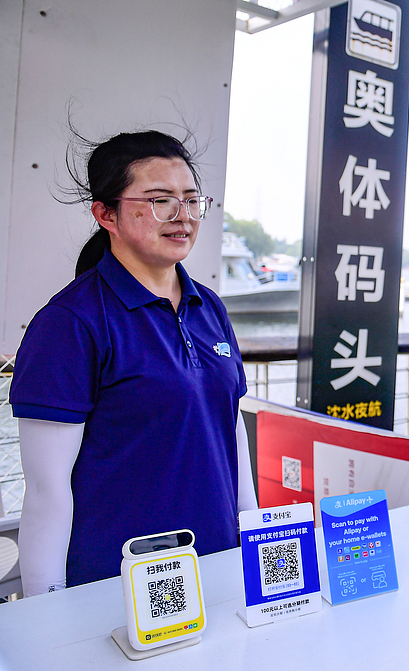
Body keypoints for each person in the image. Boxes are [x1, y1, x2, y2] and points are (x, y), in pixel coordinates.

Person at [11, 130, 257, 595]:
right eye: (160, 201)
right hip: (116, 591)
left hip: (218, 572)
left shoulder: (210, 307)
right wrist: (47, 610)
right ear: (106, 214)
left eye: (191, 201)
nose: (182, 216)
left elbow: (231, 433)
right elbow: (46, 493)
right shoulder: (70, 323)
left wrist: (253, 544)